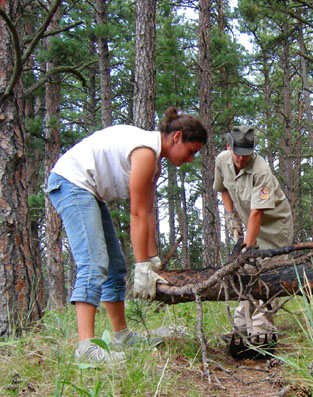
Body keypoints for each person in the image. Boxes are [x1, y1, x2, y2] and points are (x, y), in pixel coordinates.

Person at [47, 107, 207, 365]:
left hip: (87, 189)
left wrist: (152, 259)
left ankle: (121, 336)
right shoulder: (145, 152)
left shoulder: (153, 163)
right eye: (192, 151)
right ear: (177, 137)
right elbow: (136, 215)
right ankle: (85, 348)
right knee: (94, 263)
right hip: (70, 183)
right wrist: (141, 266)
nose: (191, 159)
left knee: (116, 266)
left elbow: (148, 212)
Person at [214, 125, 293, 345]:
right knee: (247, 275)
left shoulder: (261, 171)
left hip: (274, 227)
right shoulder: (221, 161)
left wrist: (246, 251)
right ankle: (241, 326)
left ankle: (262, 330)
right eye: (237, 154)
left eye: (246, 155)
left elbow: (258, 213)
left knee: (267, 276)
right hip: (250, 223)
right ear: (229, 147)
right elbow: (223, 189)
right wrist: (230, 216)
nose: (241, 159)